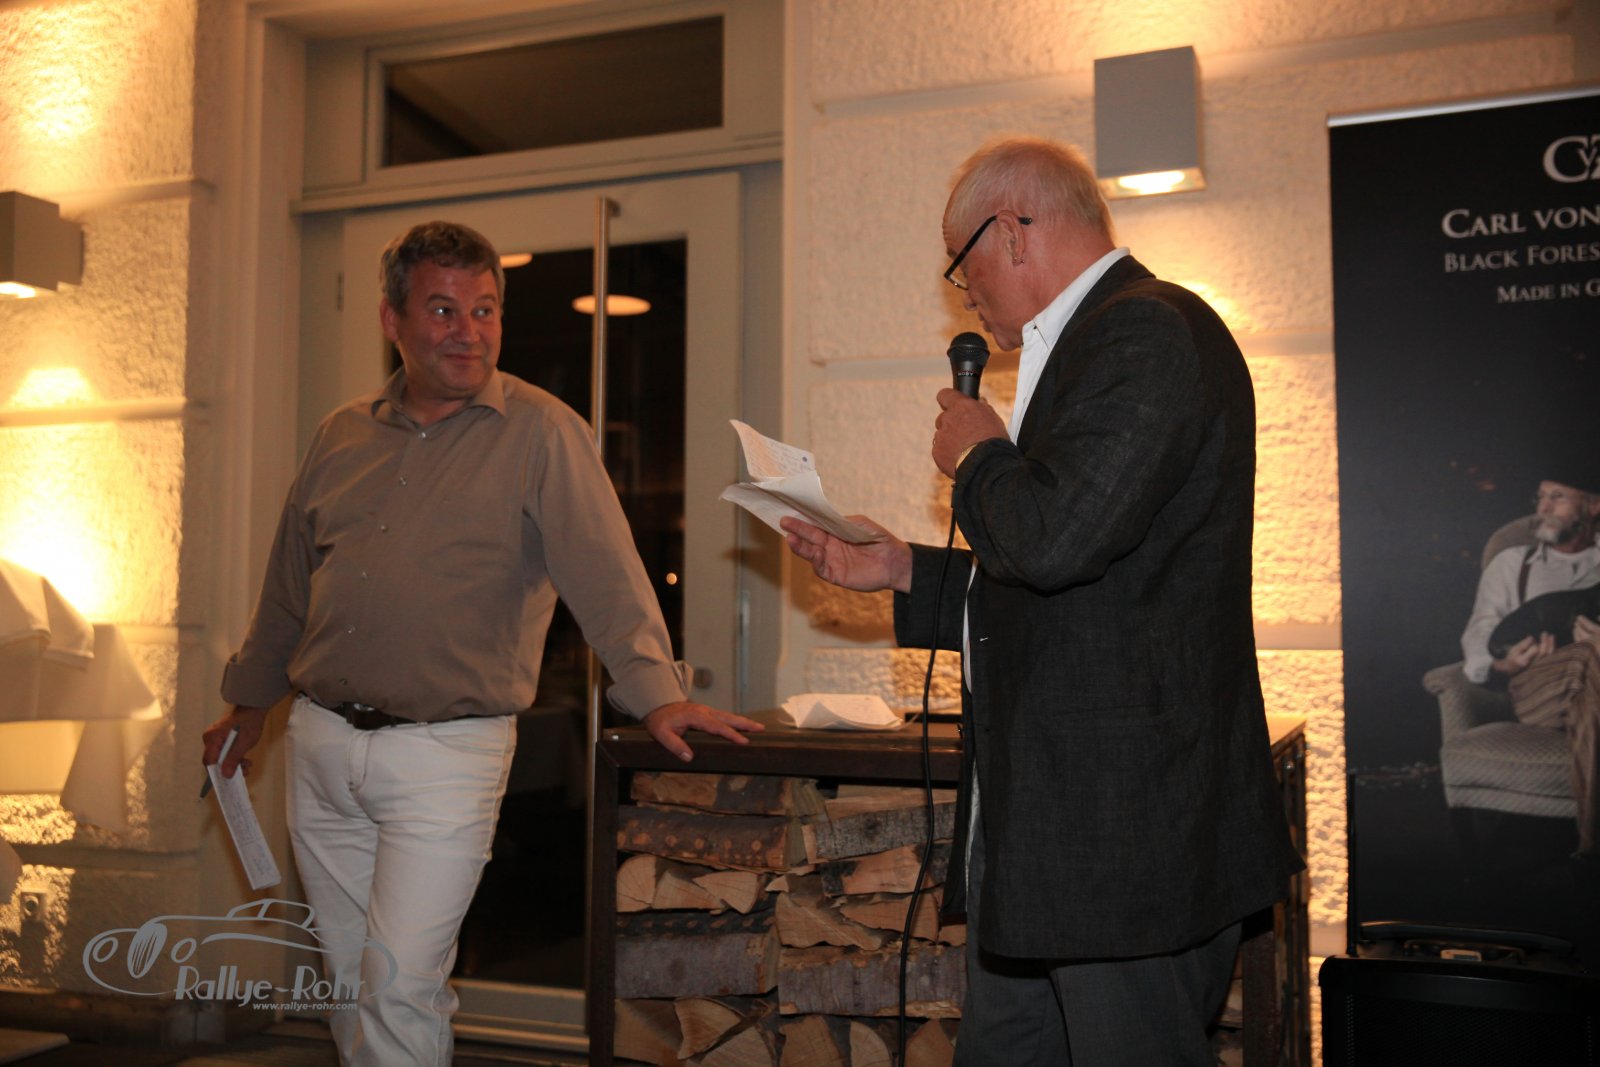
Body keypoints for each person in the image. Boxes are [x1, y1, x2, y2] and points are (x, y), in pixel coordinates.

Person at [781, 137, 1301, 1065]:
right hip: (1055, 840)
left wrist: (979, 453)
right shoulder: (1087, 346)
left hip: (1122, 837)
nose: (962, 292)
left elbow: (1055, 540)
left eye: (961, 262)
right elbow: (1076, 584)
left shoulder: (1148, 331)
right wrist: (902, 569)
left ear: (1013, 231)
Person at [203, 221, 761, 1065]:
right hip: (318, 745)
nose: (469, 330)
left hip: (446, 755)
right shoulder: (339, 433)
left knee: (400, 986)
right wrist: (248, 708)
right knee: (349, 981)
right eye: (442, 309)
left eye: (485, 309)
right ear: (391, 320)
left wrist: (659, 696)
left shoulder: (544, 432)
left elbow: (607, 577)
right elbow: (288, 586)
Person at [1460, 474, 1600, 860]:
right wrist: (1504, 664)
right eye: (1541, 497)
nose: (1543, 508)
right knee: (1586, 657)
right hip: (1534, 691)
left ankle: (1590, 855)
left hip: (1591, 690)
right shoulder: (1512, 564)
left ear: (1593, 506)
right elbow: (1477, 637)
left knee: (1590, 686)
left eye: (1558, 497)